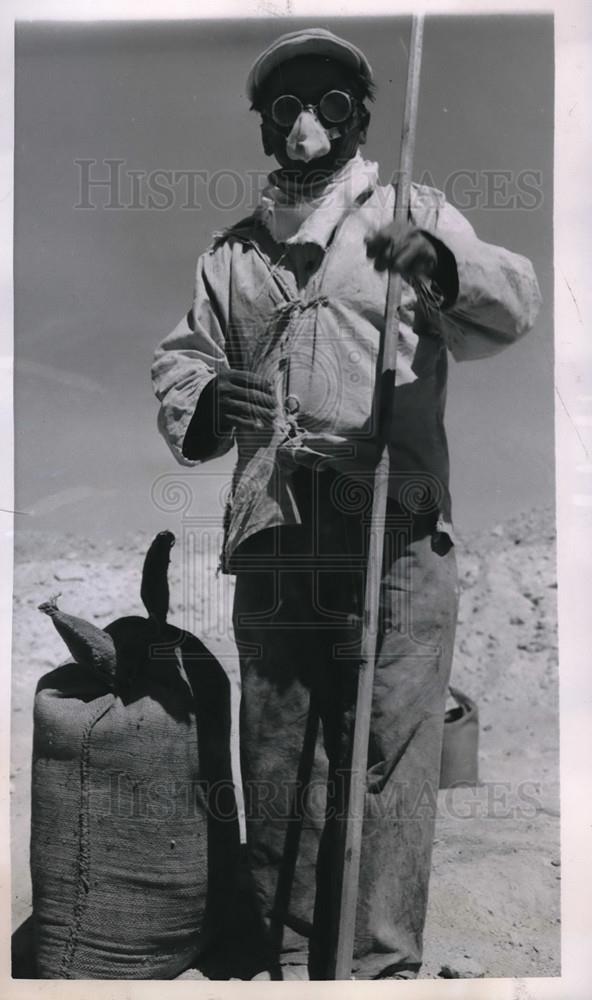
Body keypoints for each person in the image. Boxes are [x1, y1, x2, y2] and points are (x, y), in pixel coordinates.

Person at [151, 27, 541, 980]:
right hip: (279, 523)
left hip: (394, 521)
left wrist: (438, 265)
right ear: (265, 127)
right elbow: (181, 358)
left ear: (360, 114)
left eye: (328, 101)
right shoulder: (233, 257)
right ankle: (283, 955)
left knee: (387, 752)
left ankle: (377, 968)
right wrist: (206, 400)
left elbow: (514, 304)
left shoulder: (414, 213)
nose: (307, 122)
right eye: (285, 106)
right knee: (278, 748)